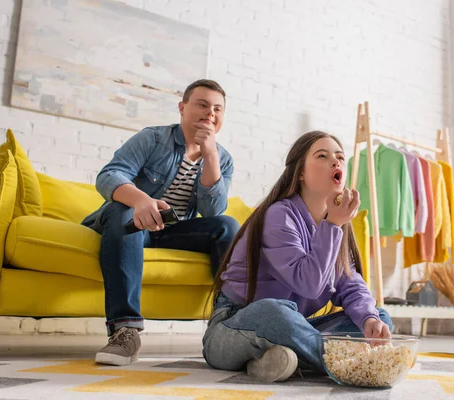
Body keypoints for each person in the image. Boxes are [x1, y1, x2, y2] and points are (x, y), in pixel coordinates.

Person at [202, 131, 393, 383]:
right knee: (276, 311)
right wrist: (333, 226)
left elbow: (350, 285)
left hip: (294, 329)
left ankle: (282, 359)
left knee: (378, 318)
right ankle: (349, 366)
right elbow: (309, 284)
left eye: (339, 157)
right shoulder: (279, 215)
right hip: (233, 328)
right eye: (322, 156)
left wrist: (369, 318)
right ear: (300, 172)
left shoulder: (335, 225)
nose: (335, 162)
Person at [82, 79, 240, 366]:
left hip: (171, 232)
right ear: (182, 108)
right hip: (129, 224)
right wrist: (142, 201)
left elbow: (213, 211)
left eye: (217, 109)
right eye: (202, 105)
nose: (210, 113)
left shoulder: (223, 159)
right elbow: (110, 175)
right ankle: (125, 331)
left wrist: (210, 155)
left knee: (228, 226)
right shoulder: (153, 139)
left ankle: (229, 325)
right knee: (124, 211)